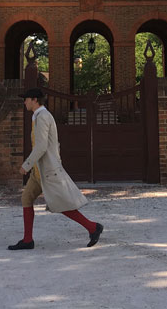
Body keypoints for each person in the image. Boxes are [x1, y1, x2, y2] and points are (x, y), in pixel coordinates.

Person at [8, 87, 104, 250]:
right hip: (39, 171)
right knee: (26, 198)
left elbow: (41, 146)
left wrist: (26, 165)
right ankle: (27, 240)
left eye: (26, 99)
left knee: (60, 204)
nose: (24, 102)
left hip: (47, 171)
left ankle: (93, 227)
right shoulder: (38, 116)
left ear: (34, 100)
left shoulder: (43, 116)